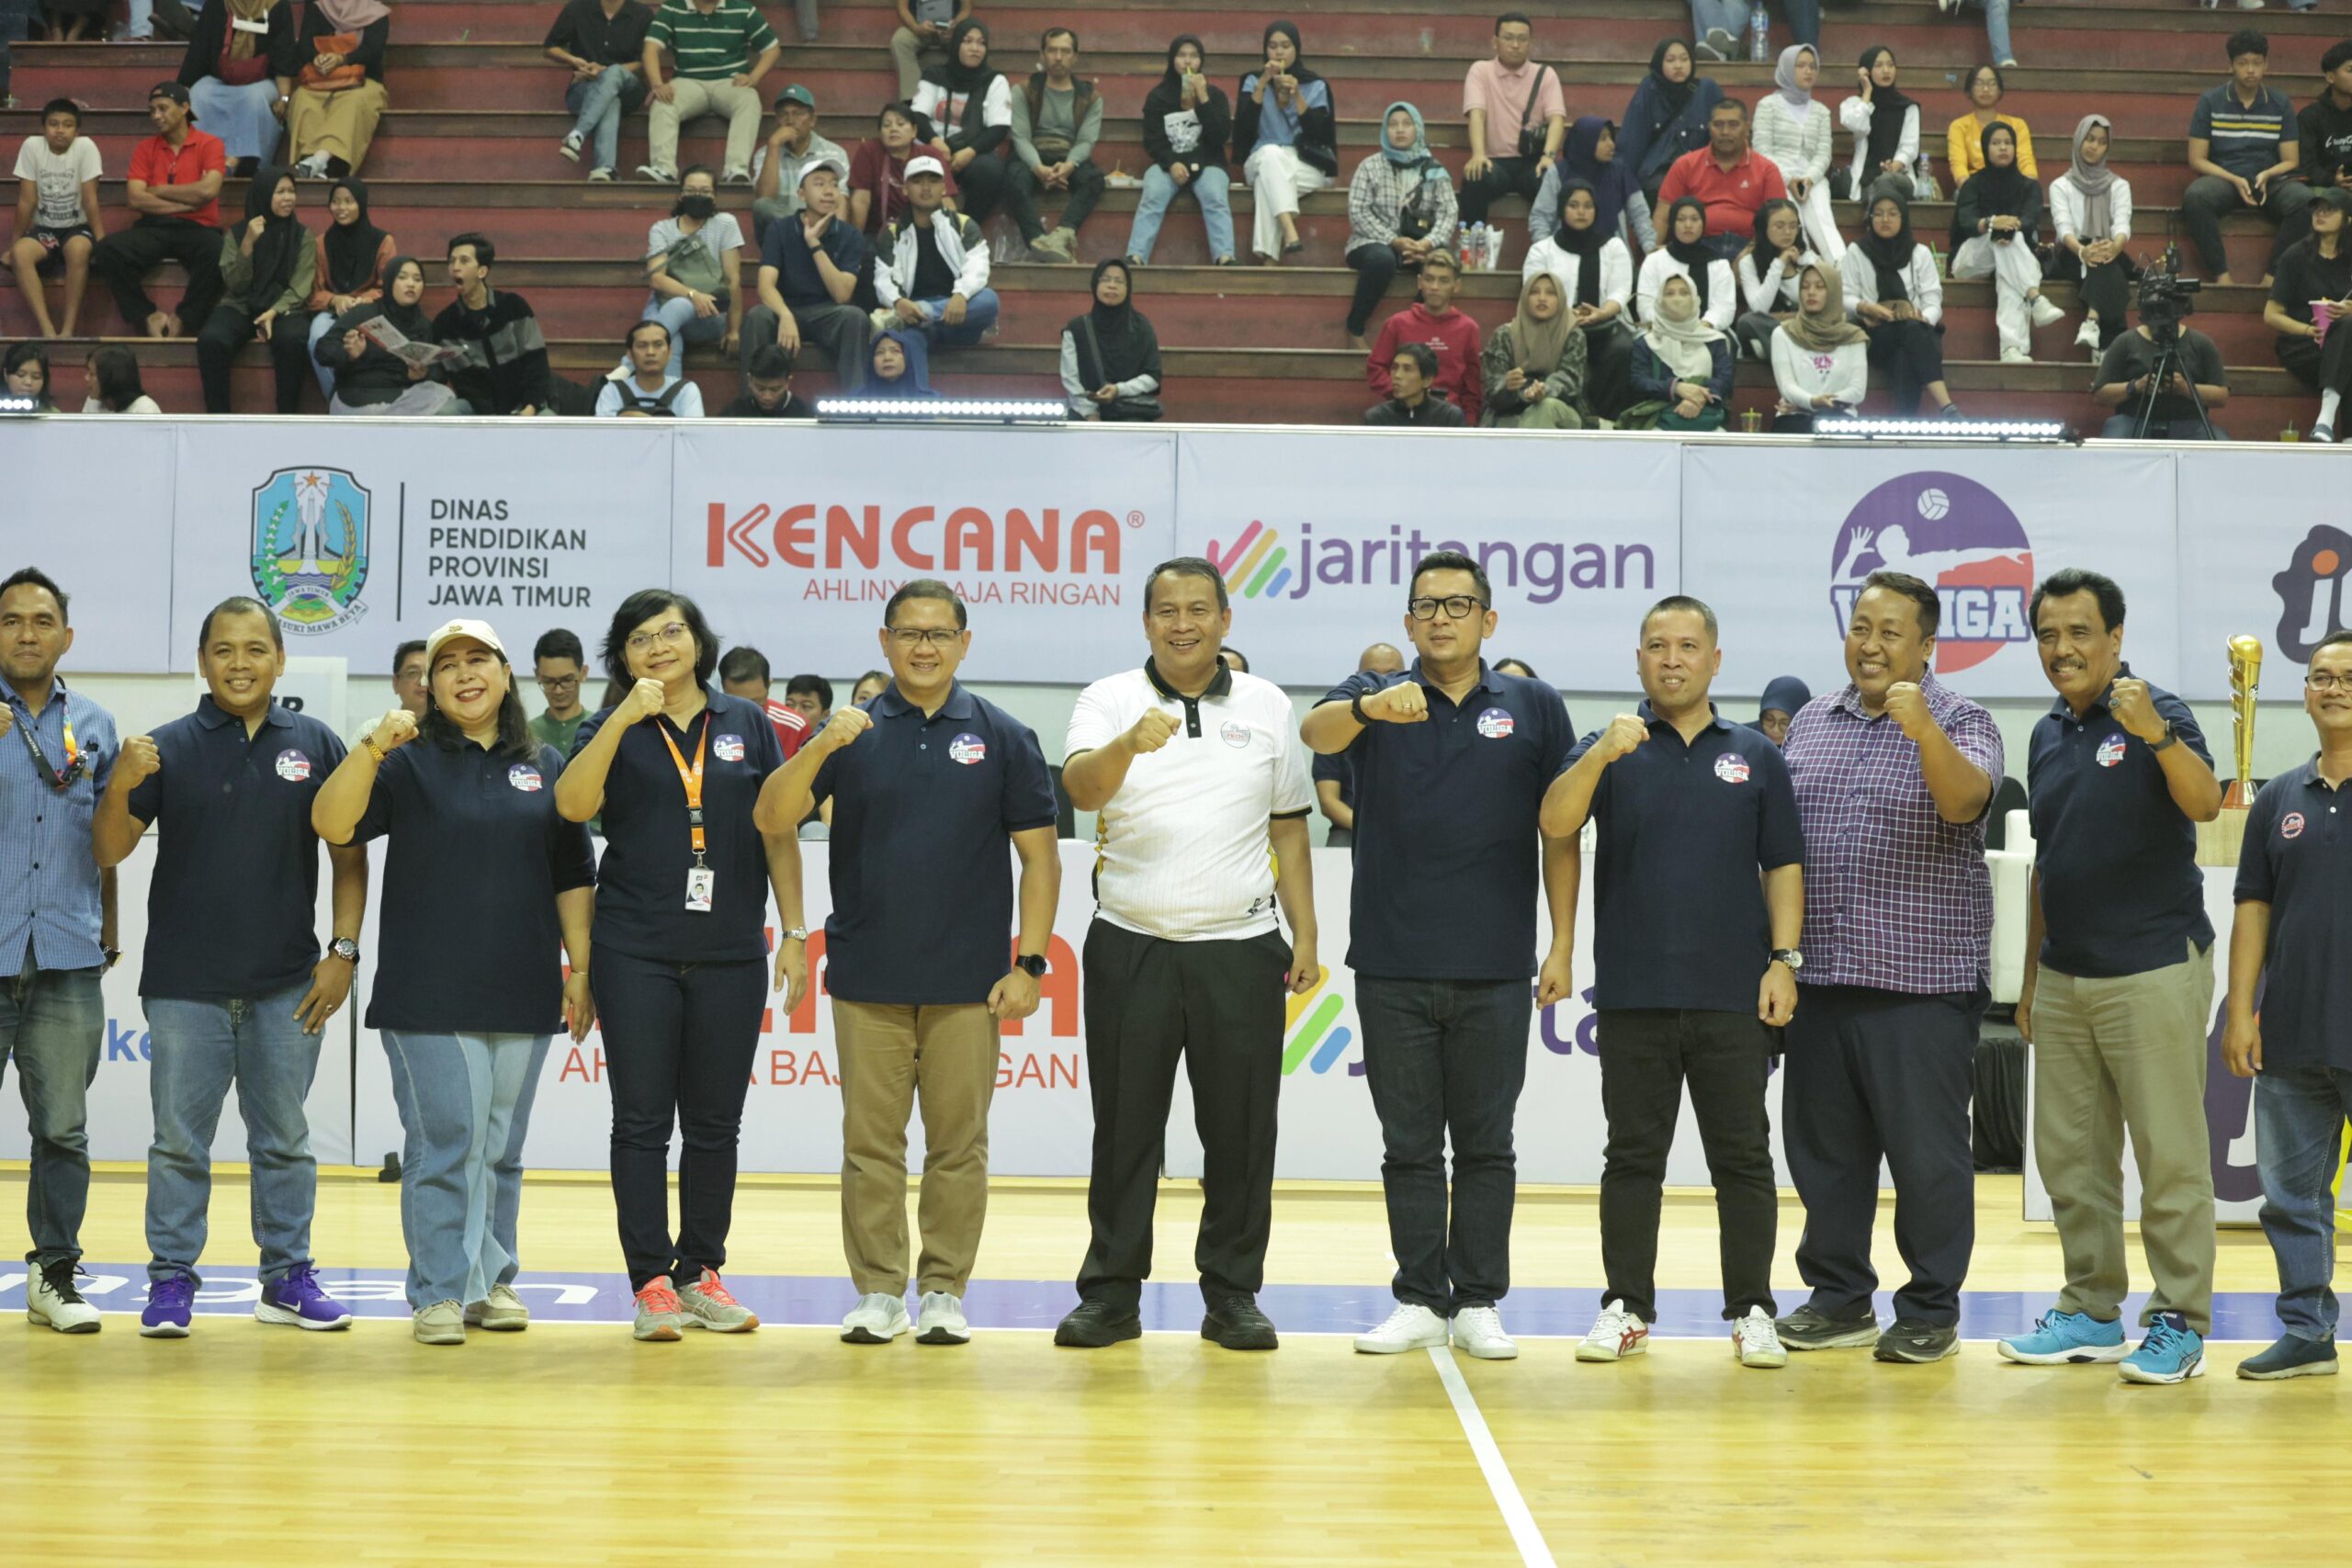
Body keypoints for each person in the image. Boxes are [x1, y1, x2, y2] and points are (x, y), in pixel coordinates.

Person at [751, 580, 1058, 1346]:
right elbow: (770, 817)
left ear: (964, 642)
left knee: (959, 1145)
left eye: (940, 633)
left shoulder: (1005, 734)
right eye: (910, 633)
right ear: (884, 642)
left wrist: (1031, 963)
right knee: (870, 1145)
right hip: (867, 979)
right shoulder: (848, 732)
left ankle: (945, 1288)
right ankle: (880, 1291)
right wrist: (820, 741)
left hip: (969, 985)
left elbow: (1040, 859)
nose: (925, 646)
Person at [1301, 550, 1576, 1361]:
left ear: (1488, 621)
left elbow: (1559, 828)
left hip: (1496, 964)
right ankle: (1421, 1294)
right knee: (1409, 1141)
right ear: (1409, 621)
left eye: (1459, 605)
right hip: (1390, 960)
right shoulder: (1372, 697)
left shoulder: (1532, 704)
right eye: (1426, 605)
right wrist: (1373, 709)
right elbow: (1314, 732)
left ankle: (1480, 1297)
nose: (1441, 617)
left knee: (1488, 1141)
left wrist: (1562, 941)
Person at [1053, 557, 1318, 1351]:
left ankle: (1232, 1291)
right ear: (1146, 623)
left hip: (1239, 948)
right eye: (1166, 610)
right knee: (1125, 1125)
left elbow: (1290, 826)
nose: (1182, 622)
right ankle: (1110, 1291)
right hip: (1130, 941)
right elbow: (1081, 790)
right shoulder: (1110, 698)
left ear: (1225, 620)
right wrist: (1129, 745)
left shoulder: (1269, 704)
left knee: (1240, 1131)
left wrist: (1306, 932)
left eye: (1198, 608)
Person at [311, 619, 595, 1345]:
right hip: (427, 992)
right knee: (449, 1139)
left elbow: (572, 873)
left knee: (499, 1147)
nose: (465, 674)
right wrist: (373, 744)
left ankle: (491, 1282)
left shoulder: (546, 765)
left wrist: (580, 967)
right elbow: (333, 823)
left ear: (505, 673)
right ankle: (438, 1289)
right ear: (429, 687)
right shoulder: (406, 761)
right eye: (447, 666)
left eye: (479, 660)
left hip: (523, 986)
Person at [91, 596, 366, 1338]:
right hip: (185, 986)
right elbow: (109, 850)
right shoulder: (164, 747)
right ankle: (171, 1280)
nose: (239, 663)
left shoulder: (316, 741)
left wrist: (342, 953)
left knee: (284, 1139)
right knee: (179, 1143)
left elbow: (348, 857)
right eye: (223, 650)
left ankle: (286, 1278)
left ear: (280, 658)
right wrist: (119, 781)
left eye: (254, 648)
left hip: (288, 985)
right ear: (202, 661)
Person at [1539, 595, 1801, 1371]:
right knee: (1633, 1157)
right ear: (1639, 659)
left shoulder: (1755, 752)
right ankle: (1625, 1305)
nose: (1672, 658)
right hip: (1634, 992)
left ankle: (1752, 1309)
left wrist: (1785, 959)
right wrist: (1595, 757)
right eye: (1657, 645)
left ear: (1715, 660)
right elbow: (1555, 824)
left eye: (1688, 646)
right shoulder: (1610, 746)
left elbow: (1782, 862)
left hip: (1733, 992)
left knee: (1743, 1159)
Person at [553, 591, 808, 1341]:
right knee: (639, 1123)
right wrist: (626, 716)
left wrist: (794, 929)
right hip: (634, 949)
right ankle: (650, 1281)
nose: (659, 646)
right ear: (622, 657)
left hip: (732, 949)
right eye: (640, 638)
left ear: (698, 640)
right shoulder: (614, 724)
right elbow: (572, 806)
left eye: (672, 631)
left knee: (715, 1123)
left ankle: (700, 1269)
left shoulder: (746, 723)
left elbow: (778, 831)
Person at [1996, 570, 2222, 1384]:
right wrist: (2027, 982)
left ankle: (2181, 1323)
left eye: (2080, 632)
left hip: (2154, 967)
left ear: (2116, 638)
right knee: (2071, 1160)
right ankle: (2091, 1309)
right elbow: (2046, 867)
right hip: (2063, 977)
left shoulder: (2160, 710)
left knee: (2169, 1158)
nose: (2063, 649)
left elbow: (2205, 804)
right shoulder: (2049, 732)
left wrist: (2156, 733)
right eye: (2049, 635)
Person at [1774, 570, 2003, 1366]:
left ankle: (1931, 1307)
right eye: (1861, 627)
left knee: (1927, 1161)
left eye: (1891, 631)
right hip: (1822, 978)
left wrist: (1923, 732)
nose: (1871, 645)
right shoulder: (1810, 721)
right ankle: (1839, 1298)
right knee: (1825, 1155)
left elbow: (1966, 803)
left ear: (1928, 645)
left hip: (1922, 987)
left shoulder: (1963, 718)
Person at [2226, 628, 2352, 1381]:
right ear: (2303, 692)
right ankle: (2308, 1330)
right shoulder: (2277, 796)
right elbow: (2252, 909)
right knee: (2290, 1198)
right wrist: (2242, 1010)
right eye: (2320, 675)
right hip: (2296, 1034)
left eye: (2348, 675)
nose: (2333, 686)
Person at [0, 568, 119, 1335]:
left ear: (66, 637)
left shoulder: (99, 725)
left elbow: (109, 839)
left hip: (69, 953)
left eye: (42, 620)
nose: (27, 632)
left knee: (64, 1130)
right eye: (11, 620)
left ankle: (54, 1275)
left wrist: (112, 920)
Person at [92, 82, 227, 343]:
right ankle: (147, 314)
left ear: (185, 108)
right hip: (154, 227)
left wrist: (158, 189)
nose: (156, 116)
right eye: (152, 110)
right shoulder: (146, 148)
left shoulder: (210, 144)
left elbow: (208, 191)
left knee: (221, 253)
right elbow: (135, 198)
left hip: (197, 228)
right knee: (107, 249)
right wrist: (186, 203)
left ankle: (184, 318)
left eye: (163, 109)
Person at [2187, 30, 2312, 287]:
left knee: (2306, 202)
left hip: (2269, 178)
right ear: (2230, 65)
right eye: (2243, 63)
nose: (2251, 70)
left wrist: (2267, 174)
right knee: (2195, 198)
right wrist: (2233, 179)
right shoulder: (2210, 101)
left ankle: (2273, 277)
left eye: (2257, 63)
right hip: (2225, 177)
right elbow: (2197, 159)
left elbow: (2291, 159)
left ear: (2266, 64)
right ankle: (2223, 277)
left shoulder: (2280, 102)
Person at [196, 166, 313, 413]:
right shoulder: (238, 233)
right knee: (211, 340)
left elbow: (300, 287)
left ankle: (287, 418)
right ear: (263, 194)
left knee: (292, 339)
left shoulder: (302, 236)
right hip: (241, 304)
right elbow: (235, 285)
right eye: (280, 192)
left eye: (292, 191)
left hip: (283, 306)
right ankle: (218, 420)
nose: (288, 198)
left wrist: (274, 311)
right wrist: (248, 243)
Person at [743, 157, 870, 388]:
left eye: (834, 184)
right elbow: (765, 286)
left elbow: (842, 295)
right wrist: (785, 315)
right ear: (801, 194)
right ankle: (750, 402)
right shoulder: (779, 229)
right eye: (819, 184)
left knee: (855, 317)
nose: (829, 191)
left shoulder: (850, 235)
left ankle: (856, 408)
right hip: (788, 307)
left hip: (827, 313)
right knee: (757, 316)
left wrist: (814, 244)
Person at [1343, 102, 1459, 349]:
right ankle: (1355, 326)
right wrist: (1393, 241)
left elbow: (1449, 212)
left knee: (1440, 263)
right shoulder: (1370, 166)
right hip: (1371, 242)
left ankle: (1415, 334)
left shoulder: (1434, 169)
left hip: (1420, 243)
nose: (1399, 130)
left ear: (1418, 129)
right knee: (1382, 259)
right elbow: (1358, 212)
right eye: (1393, 125)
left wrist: (1427, 243)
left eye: (1407, 124)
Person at [1950, 122, 2064, 365]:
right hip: (1970, 259)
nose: (2003, 148)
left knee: (2008, 252)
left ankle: (2011, 351)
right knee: (2002, 239)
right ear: (1985, 147)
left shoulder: (2029, 186)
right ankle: (2035, 298)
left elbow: (2030, 220)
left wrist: (2005, 227)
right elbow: (1966, 221)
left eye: (2008, 143)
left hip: (2010, 254)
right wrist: (1992, 222)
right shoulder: (1972, 184)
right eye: (1996, 143)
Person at [1526, 177, 1636, 416]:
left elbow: (1621, 290)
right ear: (1562, 208)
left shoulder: (1614, 247)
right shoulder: (1542, 250)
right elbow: (1533, 290)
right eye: (1574, 205)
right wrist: (1565, 315)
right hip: (1554, 325)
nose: (1581, 212)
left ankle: (1604, 418)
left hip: (1606, 324)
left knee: (1624, 348)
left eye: (1588, 206)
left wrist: (1602, 312)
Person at [639, 0, 778, 185]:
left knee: (749, 100)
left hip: (729, 81)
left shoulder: (743, 9)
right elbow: (650, 49)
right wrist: (657, 84)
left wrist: (753, 77)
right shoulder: (673, 7)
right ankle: (663, 168)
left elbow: (772, 49)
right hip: (688, 80)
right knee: (663, 102)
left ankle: (736, 169)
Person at [1234, 21, 1336, 265]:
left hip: (1305, 161)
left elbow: (1321, 135)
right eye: (1273, 46)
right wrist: (1262, 83)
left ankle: (1269, 259)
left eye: (1285, 46)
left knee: (1267, 182)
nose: (1279, 52)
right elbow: (1244, 127)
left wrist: (1298, 96)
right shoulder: (1252, 81)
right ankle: (1289, 231)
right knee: (1270, 155)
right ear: (1265, 50)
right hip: (1260, 153)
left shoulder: (1315, 85)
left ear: (1296, 49)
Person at [1847, 193, 1958, 414]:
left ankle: (1902, 426)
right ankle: (1947, 407)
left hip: (1915, 329)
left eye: (1892, 214)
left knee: (1906, 353)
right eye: (1878, 214)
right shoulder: (1857, 251)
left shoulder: (1920, 253)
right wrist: (1866, 308)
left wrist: (1924, 318)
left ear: (1903, 217)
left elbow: (1933, 299)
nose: (1884, 219)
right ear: (1869, 219)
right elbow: (1844, 295)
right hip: (1875, 333)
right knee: (1912, 334)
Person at [1129, 34, 1235, 267]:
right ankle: (1136, 256)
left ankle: (1225, 257)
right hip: (1170, 162)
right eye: (1182, 55)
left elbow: (1219, 136)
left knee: (1214, 195)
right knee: (1153, 191)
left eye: (1194, 56)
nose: (1188, 62)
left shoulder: (1215, 96)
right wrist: (1172, 162)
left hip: (1208, 162)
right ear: (1172, 60)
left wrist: (1203, 99)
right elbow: (1153, 141)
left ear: (1201, 62)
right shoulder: (1158, 96)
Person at [1002, 27, 1104, 264]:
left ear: (1075, 56)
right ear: (1042, 55)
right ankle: (1038, 240)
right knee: (1012, 178)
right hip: (1031, 155)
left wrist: (1069, 165)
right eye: (1052, 50)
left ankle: (1062, 235)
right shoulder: (1024, 90)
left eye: (1065, 51)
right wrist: (1038, 168)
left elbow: (1086, 141)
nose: (1058, 57)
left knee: (1094, 180)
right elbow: (1020, 137)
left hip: (1069, 156)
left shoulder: (1090, 97)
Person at [873, 153, 996, 348]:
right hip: (916, 318)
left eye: (933, 181)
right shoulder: (893, 233)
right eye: (918, 181)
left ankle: (924, 312)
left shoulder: (963, 225)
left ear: (944, 187)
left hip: (960, 315)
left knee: (989, 300)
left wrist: (961, 295)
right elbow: (883, 278)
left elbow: (978, 266)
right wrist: (898, 302)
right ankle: (919, 315)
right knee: (908, 342)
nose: (926, 187)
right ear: (905, 189)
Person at [315, 255, 464, 415]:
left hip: (404, 396)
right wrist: (349, 354)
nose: (411, 284)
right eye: (402, 277)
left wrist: (423, 374)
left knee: (459, 406)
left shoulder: (423, 324)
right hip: (359, 398)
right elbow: (323, 351)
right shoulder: (363, 313)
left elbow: (438, 373)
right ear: (389, 281)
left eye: (417, 279)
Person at [1458, 12, 1566, 228]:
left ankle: (1551, 250)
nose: (1515, 45)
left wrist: (1549, 156)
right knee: (1474, 177)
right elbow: (1477, 114)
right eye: (1508, 38)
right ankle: (1471, 252)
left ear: (1530, 43)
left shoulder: (1546, 74)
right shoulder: (1480, 71)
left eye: (1522, 39)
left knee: (1552, 180)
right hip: (1494, 161)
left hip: (1532, 162)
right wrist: (1478, 154)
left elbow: (1557, 119)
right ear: (1495, 42)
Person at [9, 99, 105, 339]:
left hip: (77, 227)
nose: (60, 130)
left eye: (67, 125)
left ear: (77, 130)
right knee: (21, 253)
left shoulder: (86, 147)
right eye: (53, 124)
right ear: (43, 128)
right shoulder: (32, 146)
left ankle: (68, 329)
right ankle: (47, 329)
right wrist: (13, 244)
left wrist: (102, 241)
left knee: (79, 250)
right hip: (45, 229)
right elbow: (26, 200)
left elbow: (90, 199)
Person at [435, 233, 558, 417]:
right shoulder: (445, 323)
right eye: (452, 262)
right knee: (448, 412)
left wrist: (530, 407)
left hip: (524, 405)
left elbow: (536, 364)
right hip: (477, 410)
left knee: (549, 421)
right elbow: (464, 384)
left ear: (482, 271)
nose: (455, 267)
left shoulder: (514, 307)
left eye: (464, 261)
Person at [2265, 186, 2352, 442]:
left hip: (2342, 341)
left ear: (2348, 219)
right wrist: (2307, 330)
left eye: (2330, 209)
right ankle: (2338, 430)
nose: (2320, 214)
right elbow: (2271, 315)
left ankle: (2329, 425)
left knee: (2347, 328)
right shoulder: (2295, 256)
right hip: (2304, 344)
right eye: (2317, 209)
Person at [2094, 281, 2232, 438]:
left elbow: (2221, 396)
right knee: (2115, 439)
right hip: (2133, 420)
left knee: (2219, 442)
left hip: (2189, 423)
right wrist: (2137, 386)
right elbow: (2100, 394)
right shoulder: (2125, 342)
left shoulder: (2200, 343)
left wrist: (2186, 389)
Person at [1657, 97, 1787, 262]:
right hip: (1696, 246)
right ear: (1709, 127)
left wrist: (1750, 253)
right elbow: (1662, 215)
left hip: (1749, 248)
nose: (1725, 132)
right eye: (1718, 124)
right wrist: (1651, 253)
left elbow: (1780, 221)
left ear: (1747, 128)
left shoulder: (1767, 170)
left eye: (1733, 125)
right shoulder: (1685, 164)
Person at [911, 21, 1014, 226]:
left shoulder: (995, 80)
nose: (975, 48)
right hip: (934, 150)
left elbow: (998, 129)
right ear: (956, 44)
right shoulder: (934, 75)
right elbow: (917, 117)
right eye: (968, 42)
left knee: (990, 172)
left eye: (981, 43)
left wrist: (969, 152)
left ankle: (965, 228)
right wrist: (936, 144)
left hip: (972, 152)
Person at [178, 0, 297, 176]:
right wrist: (183, 88)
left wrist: (284, 98)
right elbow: (200, 47)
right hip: (221, 79)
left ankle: (241, 162)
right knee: (199, 95)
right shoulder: (217, 4)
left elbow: (284, 54)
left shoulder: (277, 5)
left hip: (263, 81)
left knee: (252, 99)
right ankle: (200, 161)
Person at [2050, 115, 2134, 357]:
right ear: (2078, 139)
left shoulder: (2119, 186)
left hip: (2110, 249)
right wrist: (2082, 251)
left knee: (2107, 262)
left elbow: (2122, 223)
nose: (2094, 146)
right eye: (2089, 139)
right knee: (2111, 270)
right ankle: (2108, 345)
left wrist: (2115, 248)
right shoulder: (2060, 186)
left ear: (2108, 147)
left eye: (2101, 142)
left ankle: (2093, 322)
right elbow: (2063, 228)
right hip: (2072, 253)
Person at [303, 175, 393, 399]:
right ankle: (337, 401)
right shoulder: (321, 243)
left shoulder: (383, 241)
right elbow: (313, 292)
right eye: (336, 201)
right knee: (317, 338)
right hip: (333, 312)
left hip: (372, 310)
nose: (341, 208)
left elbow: (389, 287)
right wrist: (335, 300)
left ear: (361, 204)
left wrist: (364, 300)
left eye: (349, 201)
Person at [1367, 250, 1482, 423]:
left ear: (1456, 286)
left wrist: (1470, 422)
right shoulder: (1397, 323)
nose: (1435, 287)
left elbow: (1472, 385)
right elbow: (1376, 369)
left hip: (1448, 418)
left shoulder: (1468, 328)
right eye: (1429, 279)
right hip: (1402, 413)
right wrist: (1405, 391)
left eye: (1443, 280)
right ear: (1419, 282)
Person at [545, 0, 652, 184]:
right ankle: (604, 168)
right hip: (584, 85)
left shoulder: (642, 14)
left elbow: (644, 61)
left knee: (614, 72)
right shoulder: (577, 8)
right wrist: (575, 61)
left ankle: (579, 132)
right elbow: (550, 47)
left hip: (629, 87)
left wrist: (605, 72)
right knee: (611, 100)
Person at [642, 165, 743, 357]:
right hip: (666, 303)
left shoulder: (726, 223)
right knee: (672, 338)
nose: (697, 195)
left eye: (705, 191)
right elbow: (656, 279)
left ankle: (626, 366)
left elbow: (733, 280)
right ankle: (671, 388)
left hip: (709, 313)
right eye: (690, 191)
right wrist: (692, 295)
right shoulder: (662, 229)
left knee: (670, 314)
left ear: (714, 197)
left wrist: (734, 331)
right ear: (680, 195)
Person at [1753, 46, 1842, 262]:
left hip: (1813, 178)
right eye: (1800, 66)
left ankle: (1842, 270)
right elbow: (1761, 149)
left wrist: (1809, 179)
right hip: (1777, 175)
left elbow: (1823, 154)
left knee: (1823, 219)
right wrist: (1788, 178)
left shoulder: (1821, 111)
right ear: (1786, 68)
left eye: (1813, 67)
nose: (1808, 71)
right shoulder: (1768, 106)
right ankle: (1803, 266)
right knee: (1793, 220)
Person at [286, 0, 390, 182]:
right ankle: (307, 159)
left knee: (353, 101)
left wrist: (342, 59)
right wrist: (317, 59)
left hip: (362, 81)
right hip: (322, 79)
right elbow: (304, 45)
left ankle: (327, 160)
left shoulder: (376, 12)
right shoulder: (318, 5)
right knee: (303, 98)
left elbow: (372, 51)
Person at [1316, 641, 1406, 847]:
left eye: (1391, 674)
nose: (1379, 681)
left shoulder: (1422, 716)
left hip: (1412, 827)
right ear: (1357, 676)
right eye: (1370, 674)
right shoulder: (1334, 725)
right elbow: (1329, 803)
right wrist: (1372, 829)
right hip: (1351, 826)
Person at [1528, 114, 1654, 254]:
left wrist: (1649, 248)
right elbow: (1541, 217)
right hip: (1565, 255)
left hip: (1612, 257)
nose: (1611, 144)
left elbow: (1640, 214)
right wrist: (1546, 254)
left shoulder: (1620, 171)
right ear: (1586, 142)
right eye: (1603, 139)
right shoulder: (1558, 173)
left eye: (1611, 137)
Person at [1619, 39, 1723, 204]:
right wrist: (1625, 189)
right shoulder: (1650, 89)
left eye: (1684, 59)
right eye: (1670, 60)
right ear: (1659, 63)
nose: (1678, 65)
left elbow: (1723, 136)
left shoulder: (1707, 90)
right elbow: (1632, 142)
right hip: (1658, 172)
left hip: (1701, 171)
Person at [1624, 272, 1731, 431]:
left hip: (1707, 416)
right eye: (1669, 293)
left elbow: (1724, 379)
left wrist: (1695, 399)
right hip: (1659, 419)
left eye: (1684, 293)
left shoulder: (1715, 340)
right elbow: (1639, 381)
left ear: (1695, 299)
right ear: (1660, 301)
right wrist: (1676, 388)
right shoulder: (1646, 342)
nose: (1677, 298)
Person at [1769, 259, 1867, 432]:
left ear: (1834, 292)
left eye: (1820, 286)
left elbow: (1857, 391)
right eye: (1805, 287)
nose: (1811, 292)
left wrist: (1815, 405)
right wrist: (1813, 402)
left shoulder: (1853, 337)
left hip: (1839, 419)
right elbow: (1787, 386)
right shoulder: (1783, 334)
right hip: (1794, 418)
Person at [1480, 271, 1586, 429]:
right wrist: (1507, 386)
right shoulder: (1504, 335)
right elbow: (1492, 390)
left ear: (1561, 299)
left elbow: (1570, 380)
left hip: (1559, 409)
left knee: (1545, 407)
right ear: (1524, 298)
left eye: (1551, 293)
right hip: (1510, 410)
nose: (1542, 298)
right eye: (1534, 292)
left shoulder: (1573, 335)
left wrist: (1544, 389)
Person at [1061, 257, 1161, 422]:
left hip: (1130, 410)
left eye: (1119, 281)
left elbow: (1153, 377)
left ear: (1128, 288)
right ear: (1095, 285)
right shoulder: (1077, 328)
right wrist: (1090, 413)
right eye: (1105, 279)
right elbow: (1071, 379)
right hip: (1085, 411)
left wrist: (1119, 389)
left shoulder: (1141, 326)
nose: (1112, 285)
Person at [752, 85, 848, 236]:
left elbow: (840, 202)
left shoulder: (834, 153)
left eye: (798, 113)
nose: (790, 121)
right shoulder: (765, 153)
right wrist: (774, 146)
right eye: (783, 115)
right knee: (761, 205)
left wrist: (839, 239)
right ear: (777, 120)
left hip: (821, 232)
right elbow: (765, 200)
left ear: (813, 120)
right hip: (783, 236)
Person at [1839, 46, 1924, 207]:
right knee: (1877, 184)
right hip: (1866, 177)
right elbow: (1857, 125)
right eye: (1878, 66)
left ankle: (1872, 219)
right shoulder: (1854, 104)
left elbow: (1910, 147)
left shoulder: (1908, 107)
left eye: (1890, 65)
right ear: (1866, 71)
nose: (1886, 70)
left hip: (1900, 177)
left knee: (1886, 181)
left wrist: (1895, 166)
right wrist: (1867, 92)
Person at [1639, 196, 1737, 331]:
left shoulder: (1719, 265)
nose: (1688, 225)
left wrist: (1703, 326)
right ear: (1673, 223)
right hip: (1662, 331)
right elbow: (1645, 303)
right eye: (1681, 219)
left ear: (1703, 223)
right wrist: (1669, 325)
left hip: (1708, 332)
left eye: (1694, 219)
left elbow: (1725, 307)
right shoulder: (1654, 261)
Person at [1734, 197, 1810, 358]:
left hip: (1802, 326)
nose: (1788, 232)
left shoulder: (1808, 258)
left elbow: (1819, 307)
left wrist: (1788, 317)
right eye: (1779, 226)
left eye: (1793, 226)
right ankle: (1790, 354)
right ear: (1764, 228)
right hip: (1769, 327)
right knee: (1747, 322)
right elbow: (1759, 309)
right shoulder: (1748, 262)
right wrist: (1779, 264)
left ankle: (1782, 352)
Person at [1946, 64, 2037, 185]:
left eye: (1992, 83)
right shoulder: (1959, 126)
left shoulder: (2017, 125)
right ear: (1969, 89)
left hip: (2011, 187)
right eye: (1979, 83)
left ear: (2000, 90)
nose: (1985, 89)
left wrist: (2029, 188)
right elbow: (1959, 166)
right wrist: (1968, 191)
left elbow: (2026, 162)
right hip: (1976, 186)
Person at [597, 319, 706, 415]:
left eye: (658, 345)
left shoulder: (686, 390)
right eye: (642, 346)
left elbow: (692, 436)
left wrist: (632, 418)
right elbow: (604, 436)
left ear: (669, 352)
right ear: (630, 354)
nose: (650, 352)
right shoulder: (612, 390)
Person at [1363, 339, 1464, 426]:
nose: (1397, 375)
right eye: (1394, 368)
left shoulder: (1449, 416)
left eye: (1407, 369)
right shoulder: (1377, 417)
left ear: (1427, 380)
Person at [2299, 41, 2352, 198]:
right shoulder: (2310, 117)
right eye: (2350, 70)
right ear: (2330, 77)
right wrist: (2333, 181)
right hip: (2325, 189)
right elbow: (2307, 166)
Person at [889, 0, 967, 102]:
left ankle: (963, 97)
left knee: (968, 41)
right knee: (900, 41)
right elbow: (902, 8)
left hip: (950, 30)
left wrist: (955, 25)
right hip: (919, 28)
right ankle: (912, 100)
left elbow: (965, 9)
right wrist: (916, 27)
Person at [530, 628, 591, 756]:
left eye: (567, 680)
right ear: (537, 675)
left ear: (583, 673)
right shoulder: (526, 734)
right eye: (548, 681)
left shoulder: (600, 728)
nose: (558, 691)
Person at [717, 342, 815, 415]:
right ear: (750, 380)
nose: (767, 397)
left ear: (787, 382)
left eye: (775, 390)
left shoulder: (805, 415)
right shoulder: (734, 413)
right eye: (760, 388)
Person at [865, 325, 940, 399]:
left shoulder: (929, 401)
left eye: (895, 351)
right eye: (880, 352)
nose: (887, 358)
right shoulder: (857, 400)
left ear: (906, 357)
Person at [82, 345, 163, 413]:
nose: (86, 378)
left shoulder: (145, 410)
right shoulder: (93, 402)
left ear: (112, 378)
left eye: (92, 374)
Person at [1755, 675, 1809, 745]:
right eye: (1769, 720)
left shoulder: (1812, 745)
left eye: (1785, 723)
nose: (1775, 730)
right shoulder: (1743, 739)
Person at [6, 341, 58, 409]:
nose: (28, 382)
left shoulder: (52, 415)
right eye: (20, 375)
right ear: (6, 374)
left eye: (36, 377)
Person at [390, 639, 427, 716]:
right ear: (396, 683)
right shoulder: (375, 728)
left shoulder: (457, 726)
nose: (423, 682)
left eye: (430, 673)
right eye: (413, 673)